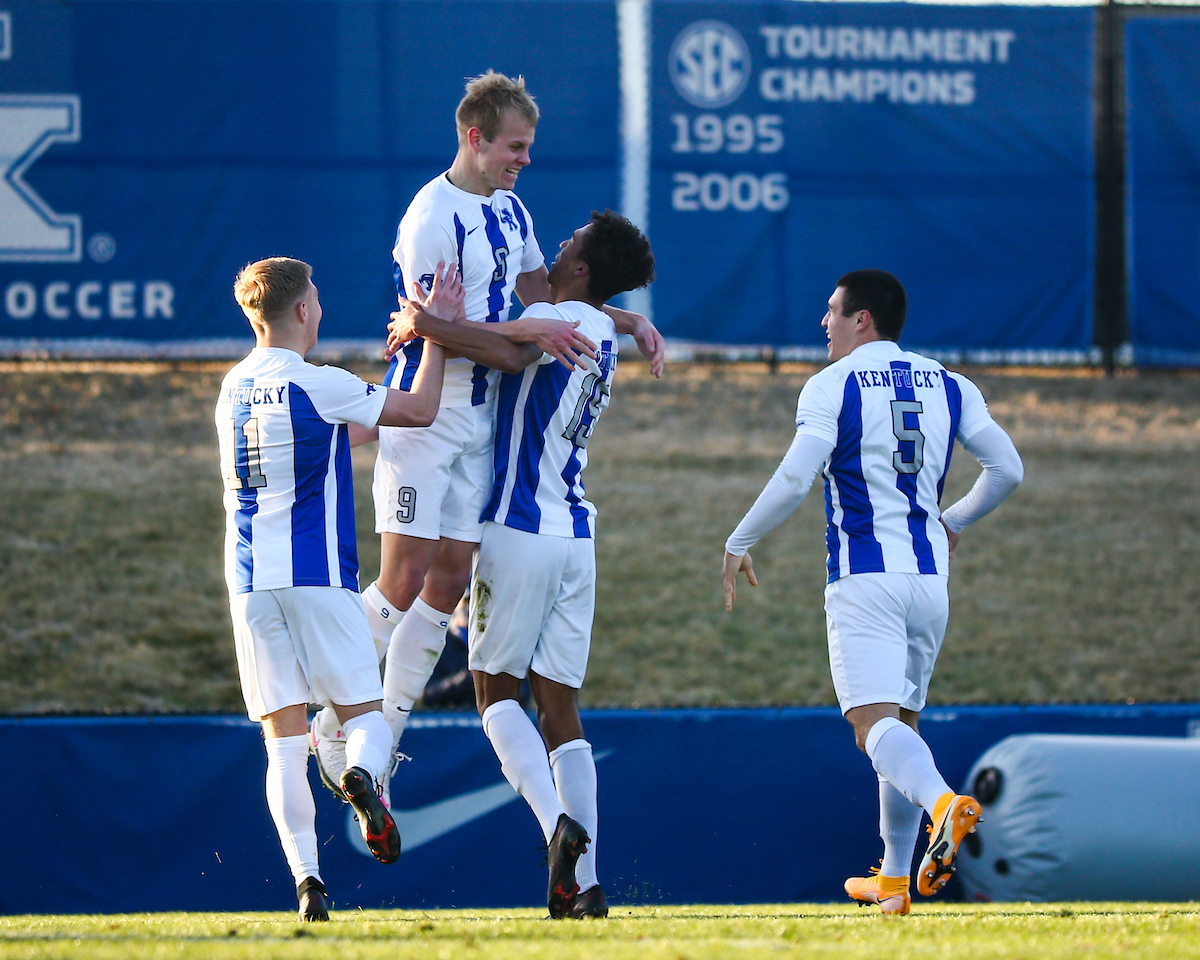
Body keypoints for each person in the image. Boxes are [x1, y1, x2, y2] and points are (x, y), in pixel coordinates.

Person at [308, 71, 664, 801]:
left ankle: (379, 746)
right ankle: (323, 714)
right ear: (475, 138)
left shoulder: (510, 208)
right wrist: (497, 331)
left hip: (484, 421)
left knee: (445, 589)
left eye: (527, 148)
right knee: (403, 580)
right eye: (515, 147)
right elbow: (459, 337)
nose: (525, 160)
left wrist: (618, 316)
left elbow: (543, 300)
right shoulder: (430, 219)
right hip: (428, 411)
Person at [721, 269, 1023, 915]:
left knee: (870, 727)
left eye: (832, 311)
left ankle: (944, 805)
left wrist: (739, 539)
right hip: (929, 582)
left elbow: (796, 476)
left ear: (862, 319)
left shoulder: (832, 383)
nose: (823, 322)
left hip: (865, 578)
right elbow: (1008, 469)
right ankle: (893, 880)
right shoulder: (951, 384)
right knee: (902, 724)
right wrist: (953, 522)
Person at [389, 210, 655, 918]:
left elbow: (503, 352)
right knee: (560, 709)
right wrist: (633, 319)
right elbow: (529, 330)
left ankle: (554, 825)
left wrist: (424, 323)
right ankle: (587, 885)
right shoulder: (598, 330)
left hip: (519, 528)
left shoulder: (558, 324)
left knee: (494, 694)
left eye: (568, 245)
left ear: (580, 270)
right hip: (575, 535)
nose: (556, 248)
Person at [216, 256, 457, 921]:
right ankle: (362, 776)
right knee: (364, 719)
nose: (320, 308)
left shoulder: (233, 387)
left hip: (250, 583)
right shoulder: (317, 381)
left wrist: (381, 390)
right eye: (316, 299)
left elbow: (343, 435)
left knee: (283, 747)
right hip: (316, 575)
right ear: (302, 310)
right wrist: (436, 333)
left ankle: (308, 884)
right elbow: (422, 411)